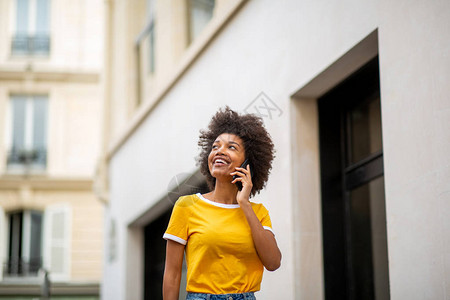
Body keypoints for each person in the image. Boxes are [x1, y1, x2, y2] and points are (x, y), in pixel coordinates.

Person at [163, 107, 281, 300]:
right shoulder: (187, 206)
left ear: (248, 164)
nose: (219, 152)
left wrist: (244, 203)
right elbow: (172, 274)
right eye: (215, 147)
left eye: (231, 147)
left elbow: (273, 262)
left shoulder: (258, 212)